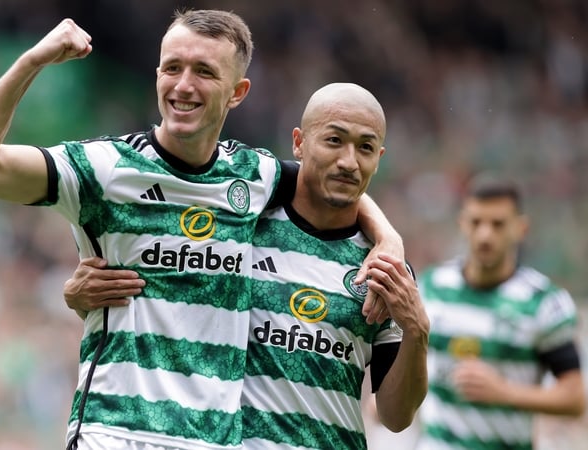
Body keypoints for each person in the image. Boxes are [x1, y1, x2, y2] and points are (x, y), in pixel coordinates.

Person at [0, 9, 401, 450]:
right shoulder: (105, 169)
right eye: (173, 68)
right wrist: (32, 61)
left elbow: (334, 181)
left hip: (211, 440)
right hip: (115, 432)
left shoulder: (253, 176)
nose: (184, 85)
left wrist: (388, 240)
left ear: (237, 92)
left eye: (204, 71)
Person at [65, 83, 431, 449]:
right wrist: (81, 293)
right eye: (334, 140)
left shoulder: (385, 270)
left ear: (379, 156)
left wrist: (417, 333)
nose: (349, 161)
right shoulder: (240, 227)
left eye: (365, 148)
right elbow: (159, 291)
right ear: (299, 143)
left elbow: (396, 418)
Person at [414, 174, 586, 450]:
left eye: (498, 224)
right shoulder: (430, 288)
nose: (485, 234)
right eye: (476, 222)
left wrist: (504, 392)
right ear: (462, 224)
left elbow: (574, 398)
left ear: (521, 228)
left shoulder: (543, 303)